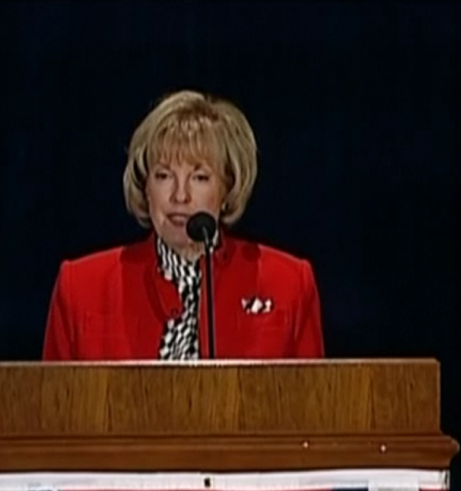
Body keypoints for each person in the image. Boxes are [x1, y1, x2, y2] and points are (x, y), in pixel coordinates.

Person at [42, 89, 324, 360]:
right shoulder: (80, 286)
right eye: (164, 175)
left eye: (199, 177)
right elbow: (55, 405)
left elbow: (312, 405)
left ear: (227, 188)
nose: (180, 195)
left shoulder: (289, 283)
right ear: (146, 186)